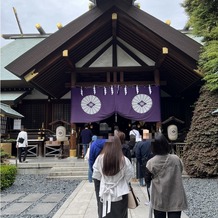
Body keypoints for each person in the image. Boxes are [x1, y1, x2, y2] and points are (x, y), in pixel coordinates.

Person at [144, 133, 188, 218]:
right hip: (176, 196)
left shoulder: (151, 162)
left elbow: (147, 180)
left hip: (159, 198)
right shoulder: (176, 159)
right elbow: (181, 170)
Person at [92, 135, 134, 218]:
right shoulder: (124, 160)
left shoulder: (99, 159)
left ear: (106, 145)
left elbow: (96, 176)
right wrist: (120, 180)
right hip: (120, 193)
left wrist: (106, 180)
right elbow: (129, 176)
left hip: (105, 192)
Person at [89, 138, 107, 217]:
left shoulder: (93, 145)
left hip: (97, 173)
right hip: (108, 173)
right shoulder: (109, 143)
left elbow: (91, 160)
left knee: (99, 197)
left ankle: (101, 214)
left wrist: (93, 171)